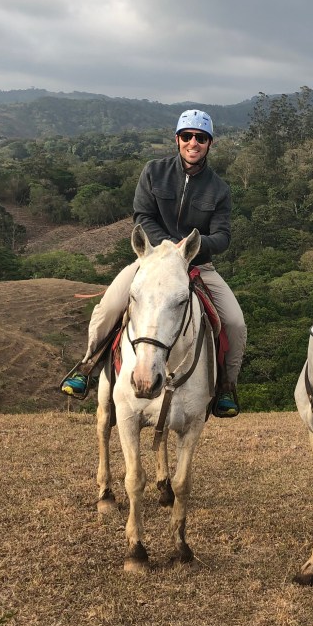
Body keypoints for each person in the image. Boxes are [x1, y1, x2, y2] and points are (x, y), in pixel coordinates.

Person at [60, 109, 246, 417]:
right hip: (151, 260)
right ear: (177, 139)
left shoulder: (219, 189)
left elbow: (223, 236)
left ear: (210, 144)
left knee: (236, 323)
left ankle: (226, 387)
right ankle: (87, 365)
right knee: (108, 308)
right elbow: (142, 216)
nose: (193, 143)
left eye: (201, 138)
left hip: (197, 263)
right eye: (187, 136)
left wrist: (187, 249)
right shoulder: (153, 171)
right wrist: (166, 247)